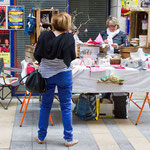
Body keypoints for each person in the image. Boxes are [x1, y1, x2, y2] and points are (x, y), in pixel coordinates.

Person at [33, 12, 78, 147]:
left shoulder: (44, 36)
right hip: (64, 75)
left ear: (53, 23)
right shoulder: (69, 38)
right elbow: (71, 57)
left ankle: (41, 137)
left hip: (47, 75)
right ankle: (68, 139)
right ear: (67, 24)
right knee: (65, 107)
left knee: (45, 106)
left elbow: (37, 55)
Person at [96, 16, 129, 100]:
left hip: (116, 59)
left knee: (115, 77)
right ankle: (105, 97)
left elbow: (127, 45)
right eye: (110, 26)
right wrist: (103, 43)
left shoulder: (122, 34)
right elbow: (96, 43)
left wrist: (118, 46)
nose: (112, 28)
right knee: (105, 76)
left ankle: (118, 97)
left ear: (117, 25)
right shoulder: (103, 33)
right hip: (104, 58)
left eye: (114, 26)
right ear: (108, 26)